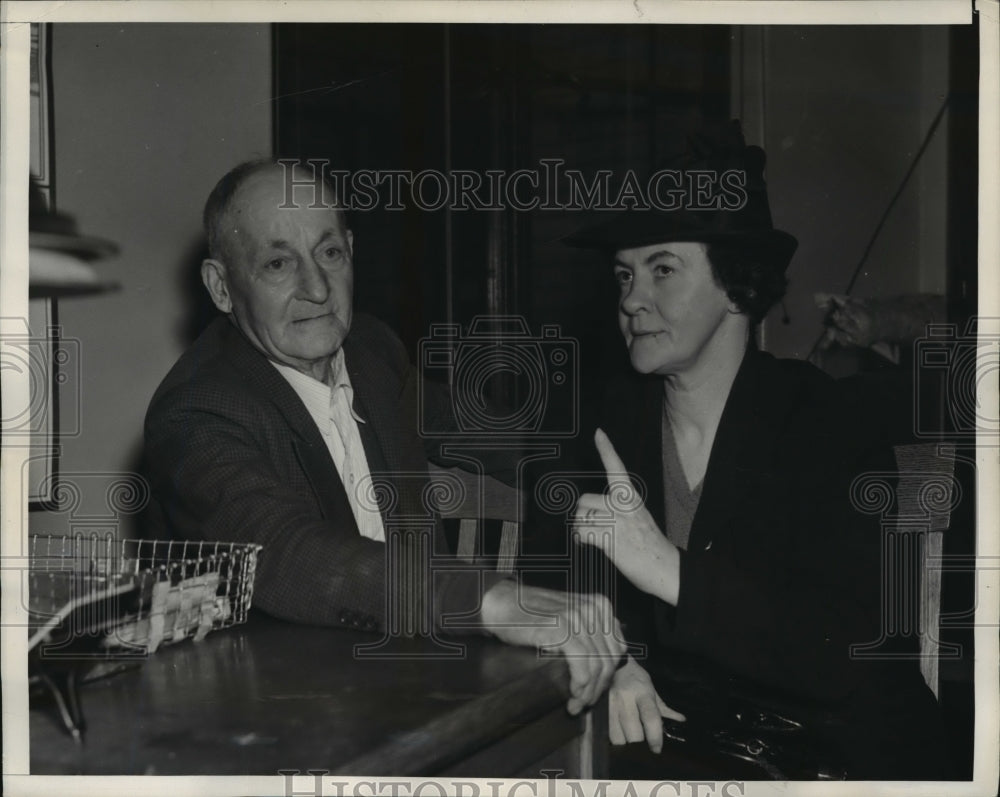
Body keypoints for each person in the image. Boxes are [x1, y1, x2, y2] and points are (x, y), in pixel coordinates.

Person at [143, 159, 624, 716]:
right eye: (278, 263)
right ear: (221, 288)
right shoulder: (197, 411)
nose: (317, 288)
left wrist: (633, 450)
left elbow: (500, 441)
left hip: (426, 680)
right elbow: (282, 552)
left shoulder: (371, 351)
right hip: (285, 716)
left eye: (329, 253)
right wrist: (488, 599)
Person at [563, 121, 948, 778]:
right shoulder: (611, 427)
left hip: (845, 760)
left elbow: (845, 648)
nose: (631, 298)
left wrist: (667, 567)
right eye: (625, 274)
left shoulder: (827, 420)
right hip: (696, 748)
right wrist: (615, 660)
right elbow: (563, 587)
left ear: (737, 285)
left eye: (663, 270)